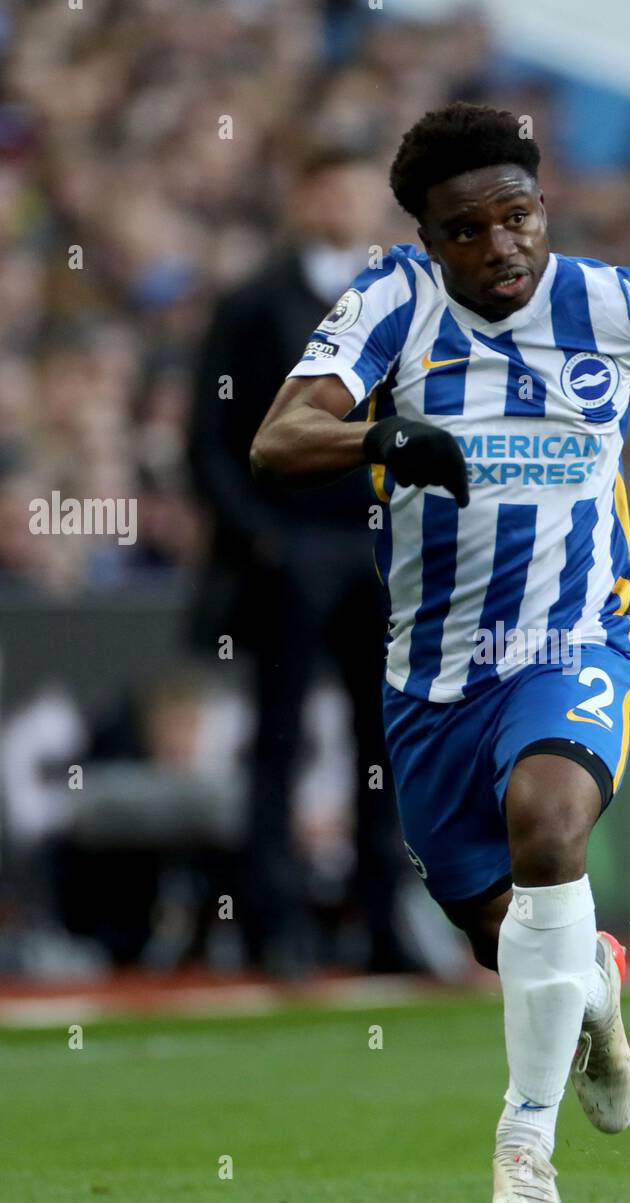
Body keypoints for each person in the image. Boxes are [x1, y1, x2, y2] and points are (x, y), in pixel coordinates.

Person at [250, 103, 630, 1203]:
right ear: (430, 238)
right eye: (469, 229)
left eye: (519, 216)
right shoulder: (391, 305)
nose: (501, 245)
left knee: (551, 827)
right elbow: (276, 439)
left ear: (542, 207)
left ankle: (525, 1143)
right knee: (506, 931)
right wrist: (383, 438)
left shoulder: (608, 301)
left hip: (573, 647)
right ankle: (593, 982)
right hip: (431, 683)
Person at [187, 142, 416, 975]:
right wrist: (262, 539)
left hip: (375, 543)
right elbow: (209, 442)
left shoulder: (391, 303)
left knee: (383, 742)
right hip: (291, 548)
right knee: (277, 742)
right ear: (302, 195)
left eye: (359, 192)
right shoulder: (255, 303)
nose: (346, 206)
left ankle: (384, 923)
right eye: (333, 189)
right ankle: (274, 928)